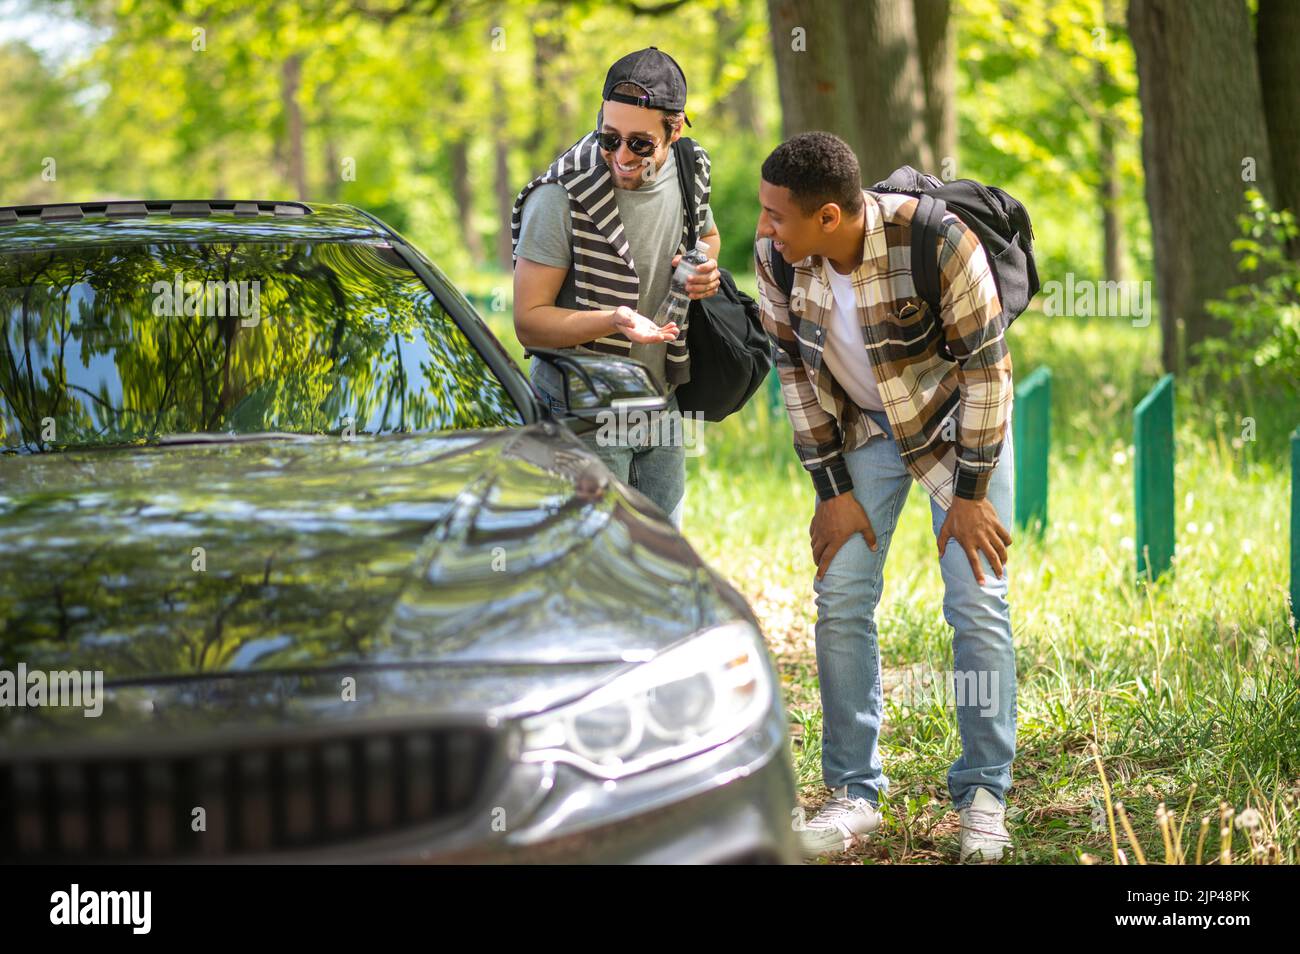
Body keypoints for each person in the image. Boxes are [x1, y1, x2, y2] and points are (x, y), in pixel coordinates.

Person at [754, 131, 1017, 862]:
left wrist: (972, 493)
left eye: (779, 214)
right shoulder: (778, 254)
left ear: (830, 218)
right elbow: (796, 375)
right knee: (839, 595)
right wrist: (829, 489)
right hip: (866, 433)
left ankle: (984, 792)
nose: (766, 227)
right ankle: (853, 793)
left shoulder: (939, 242)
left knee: (976, 600)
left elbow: (991, 373)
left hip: (959, 428)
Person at [511, 47, 721, 529]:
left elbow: (707, 237)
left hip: (660, 397)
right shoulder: (560, 195)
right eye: (609, 138)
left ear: (676, 129)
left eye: (640, 144)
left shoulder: (691, 170)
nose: (622, 157)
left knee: (662, 554)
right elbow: (529, 323)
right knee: (595, 563)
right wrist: (614, 320)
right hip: (580, 404)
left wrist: (702, 267)